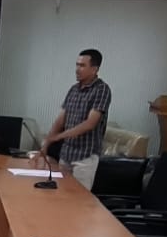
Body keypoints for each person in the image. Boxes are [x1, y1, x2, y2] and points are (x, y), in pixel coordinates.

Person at [37, 48, 111, 188]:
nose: (77, 69)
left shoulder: (102, 90)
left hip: (85, 157)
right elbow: (61, 120)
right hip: (66, 155)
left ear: (94, 69)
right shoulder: (74, 89)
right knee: (61, 196)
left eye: (82, 66)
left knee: (79, 202)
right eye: (77, 65)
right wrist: (45, 146)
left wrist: (59, 136)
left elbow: (90, 123)